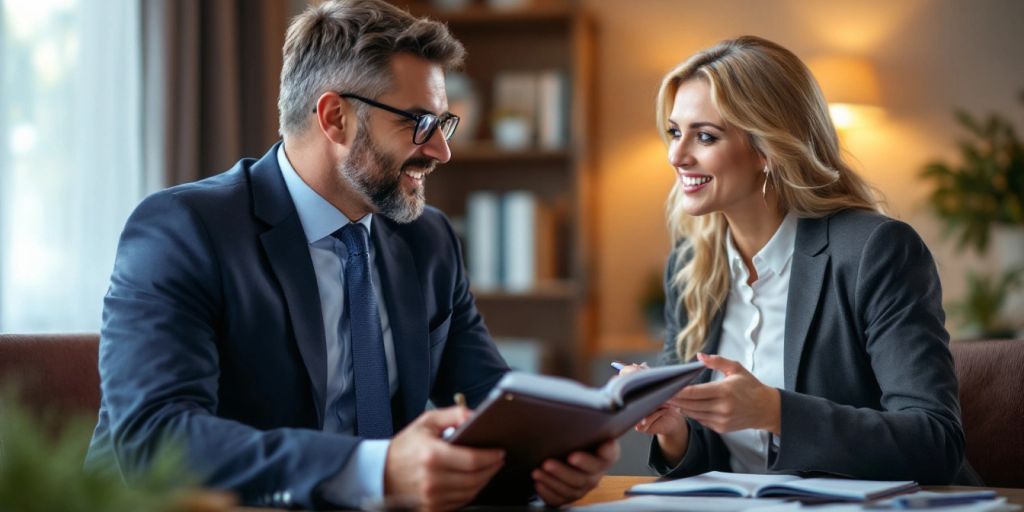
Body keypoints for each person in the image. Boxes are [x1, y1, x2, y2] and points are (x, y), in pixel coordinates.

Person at [85, 1, 617, 509]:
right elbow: (154, 439)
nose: (441, 150)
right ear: (335, 117)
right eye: (418, 123)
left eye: (443, 123)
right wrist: (375, 469)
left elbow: (493, 401)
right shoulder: (184, 230)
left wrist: (556, 452)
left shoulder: (428, 240)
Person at [626, 35, 978, 484]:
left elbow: (936, 443)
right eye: (675, 132)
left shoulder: (876, 250)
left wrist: (776, 412)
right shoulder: (690, 267)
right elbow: (718, 460)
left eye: (705, 136)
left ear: (767, 149)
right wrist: (675, 430)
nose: (676, 155)